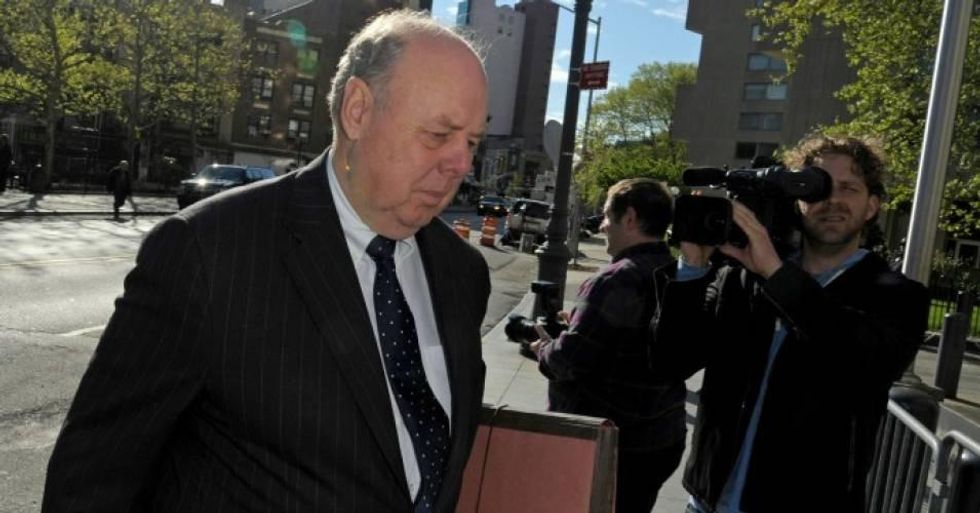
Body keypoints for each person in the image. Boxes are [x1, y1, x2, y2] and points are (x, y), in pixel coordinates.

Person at [43, 10, 490, 512]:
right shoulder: (208, 251)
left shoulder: (463, 275)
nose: (461, 165)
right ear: (358, 110)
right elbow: (93, 475)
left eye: (471, 142)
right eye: (438, 134)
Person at [652, 134, 929, 513]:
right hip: (708, 500)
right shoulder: (743, 277)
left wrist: (777, 275)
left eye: (848, 188)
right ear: (798, 202)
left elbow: (861, 361)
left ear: (871, 206)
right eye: (817, 187)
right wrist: (693, 268)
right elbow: (670, 361)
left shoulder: (898, 295)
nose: (832, 201)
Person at [531, 178, 686, 513]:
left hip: (612, 444)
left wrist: (544, 349)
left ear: (629, 218)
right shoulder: (676, 273)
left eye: (605, 216)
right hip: (661, 437)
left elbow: (568, 361)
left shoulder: (616, 279)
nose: (602, 226)